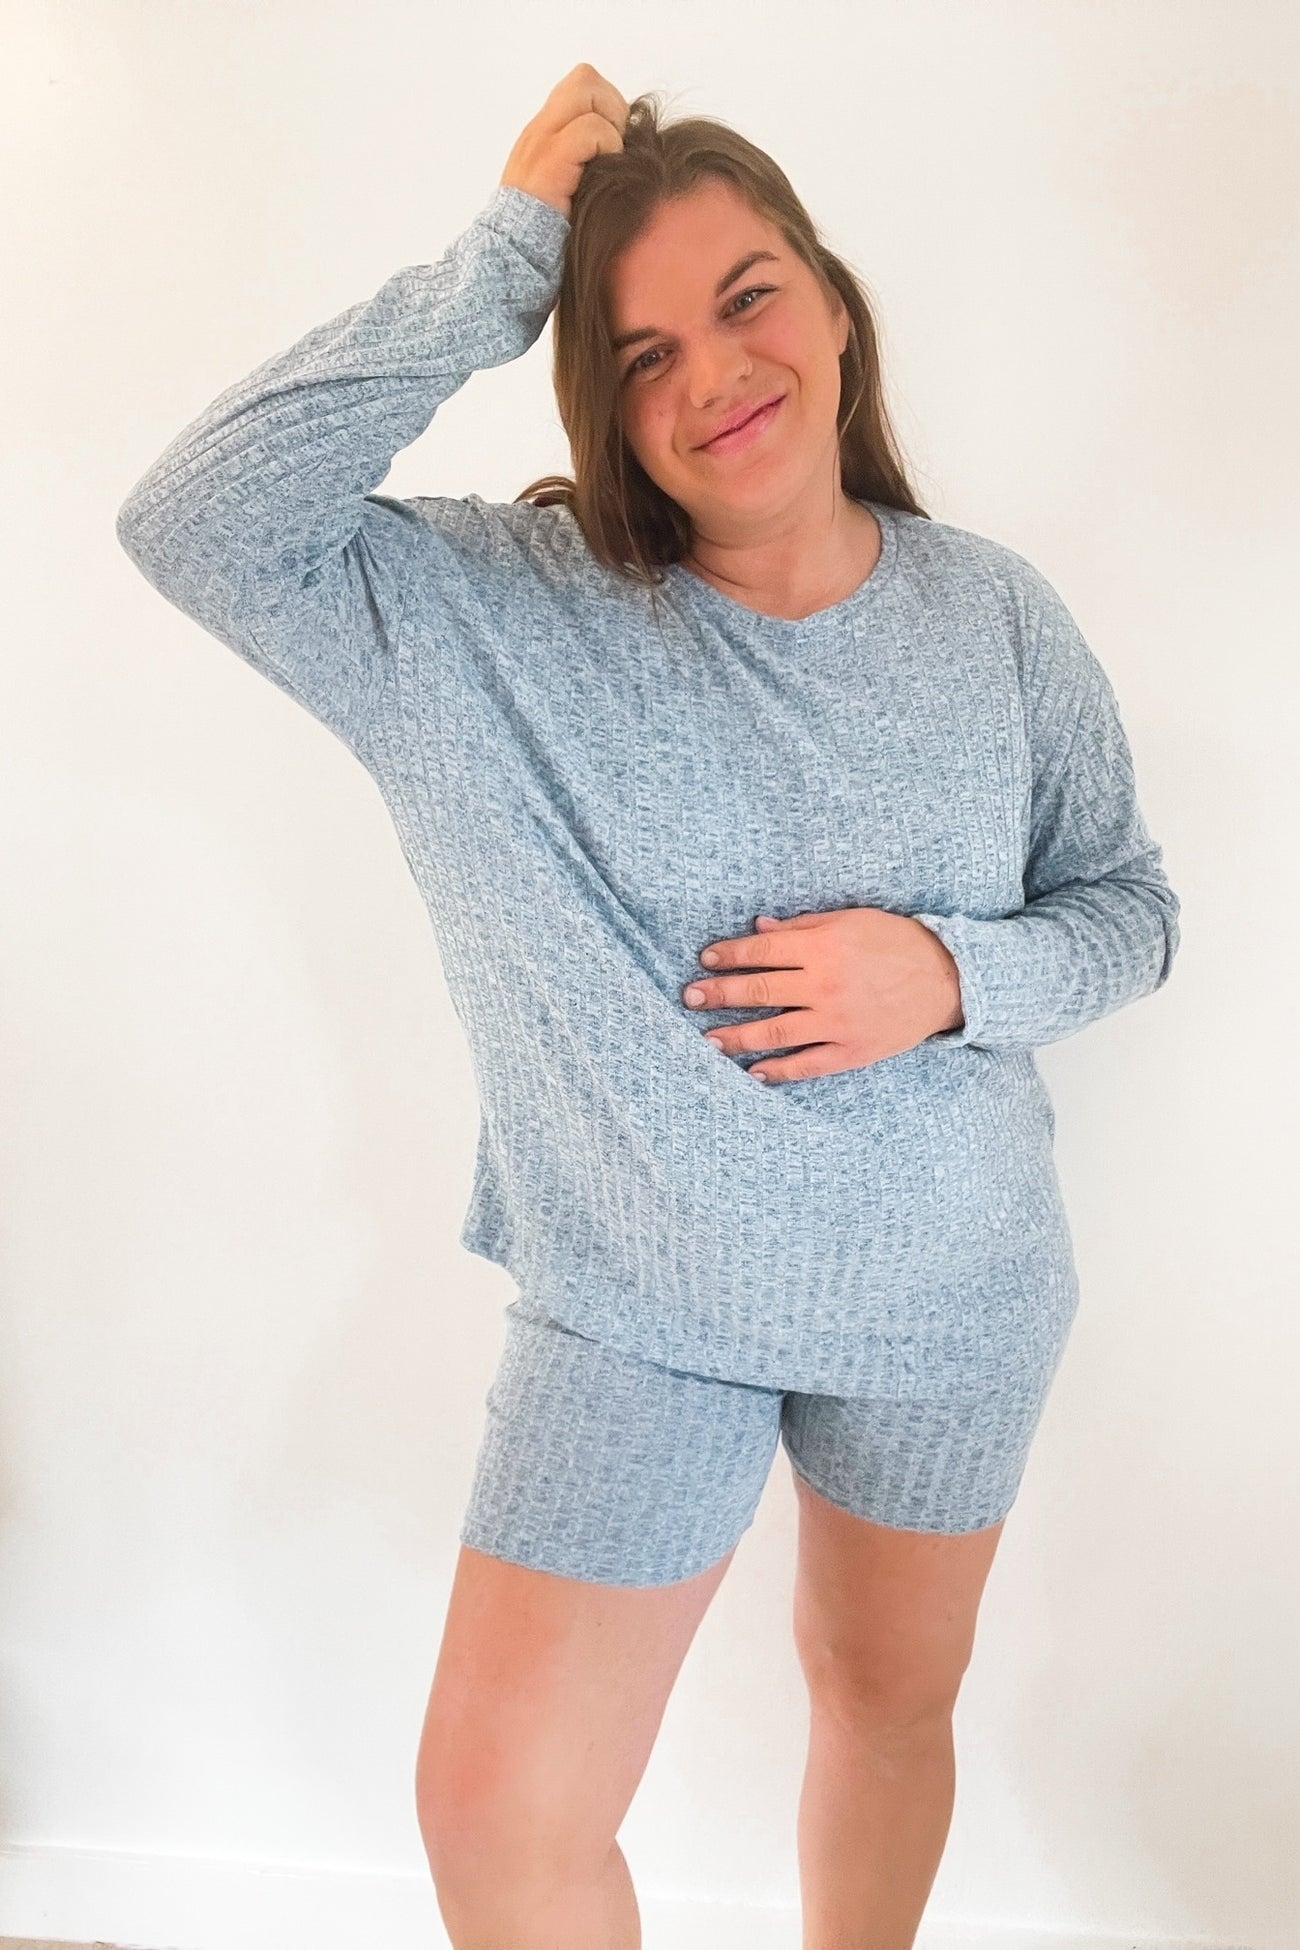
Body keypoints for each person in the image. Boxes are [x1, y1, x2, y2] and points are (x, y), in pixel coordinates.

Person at [116, 61, 1181, 1950]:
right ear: (599, 406)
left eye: (748, 297)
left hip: (948, 1292)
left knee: (887, 1705)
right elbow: (195, 521)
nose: (714, 373)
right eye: (641, 353)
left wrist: (951, 972)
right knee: (499, 1818)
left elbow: (1130, 912)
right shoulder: (480, 615)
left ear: (832, 305)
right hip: (634, 1313)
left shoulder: (997, 617)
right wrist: (496, 261)